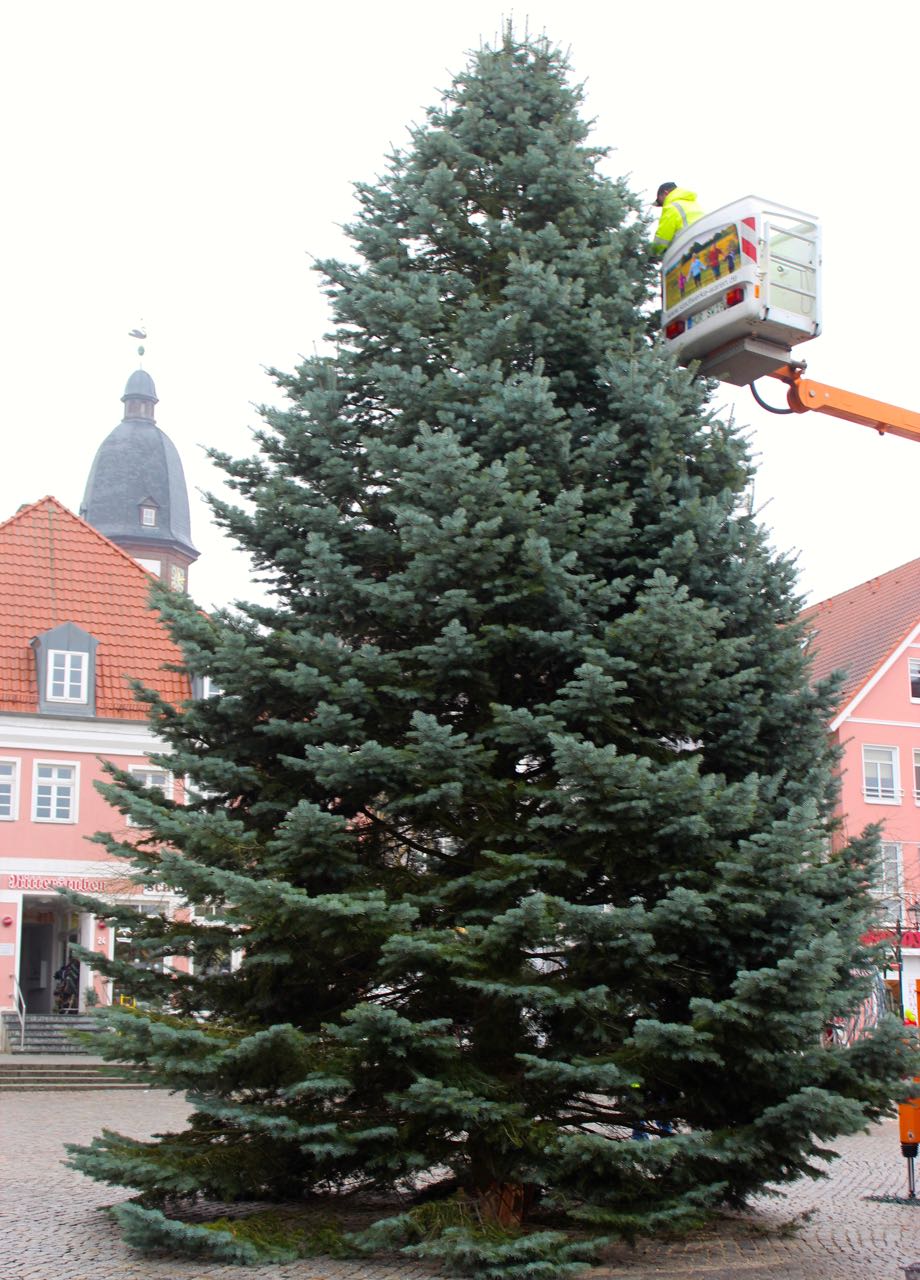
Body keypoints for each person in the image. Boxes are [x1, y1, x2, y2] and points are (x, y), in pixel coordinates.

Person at [652, 183, 704, 253]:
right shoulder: (693, 204)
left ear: (666, 193)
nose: (662, 205)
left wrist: (651, 252)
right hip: (704, 242)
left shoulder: (672, 208)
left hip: (687, 249)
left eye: (661, 201)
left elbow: (661, 239)